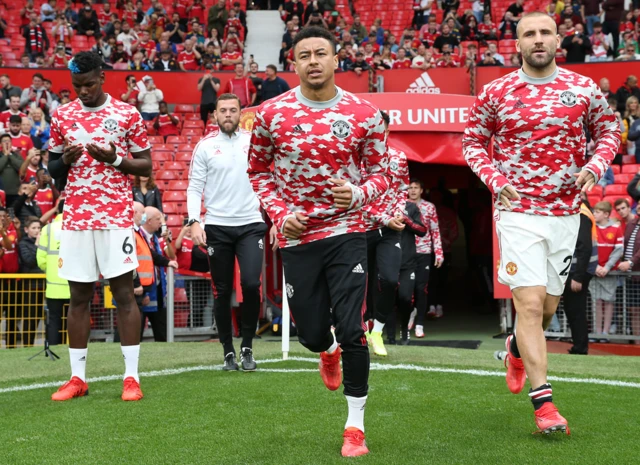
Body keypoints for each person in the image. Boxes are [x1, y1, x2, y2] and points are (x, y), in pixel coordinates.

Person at [462, 12, 619, 434]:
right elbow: (472, 141)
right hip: (517, 213)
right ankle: (545, 406)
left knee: (548, 307)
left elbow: (609, 131)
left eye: (544, 32)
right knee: (528, 305)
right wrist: (495, 180)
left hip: (566, 214)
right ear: (517, 44)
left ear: (557, 39)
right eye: (528, 33)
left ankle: (516, 348)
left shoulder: (583, 87)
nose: (537, 39)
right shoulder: (498, 91)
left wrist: (597, 162)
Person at [247, 26, 389, 457]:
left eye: (320, 53)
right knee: (311, 334)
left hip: (347, 231)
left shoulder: (365, 114)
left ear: (335, 59)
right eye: (304, 54)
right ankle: (324, 350)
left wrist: (360, 194)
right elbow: (258, 172)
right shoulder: (271, 113)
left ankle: (355, 427)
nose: (313, 61)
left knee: (352, 328)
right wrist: (280, 214)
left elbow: (383, 173)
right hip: (298, 236)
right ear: (294, 63)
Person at [47, 51, 152, 402]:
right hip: (76, 219)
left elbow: (146, 165)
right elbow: (52, 170)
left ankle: (131, 378)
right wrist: (65, 159)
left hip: (115, 218)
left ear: (103, 77)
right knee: (78, 298)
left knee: (123, 295)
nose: (83, 91)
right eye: (77, 86)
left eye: (89, 84)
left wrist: (116, 159)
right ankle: (77, 378)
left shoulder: (126, 114)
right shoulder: (62, 115)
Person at [188, 93, 267, 371]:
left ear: (240, 113)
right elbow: (195, 187)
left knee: (251, 284)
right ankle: (227, 352)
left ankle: (247, 347)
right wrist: (194, 221)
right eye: (223, 110)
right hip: (218, 227)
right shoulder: (205, 146)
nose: (228, 115)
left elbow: (269, 179)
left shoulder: (253, 143)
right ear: (215, 115)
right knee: (222, 291)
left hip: (250, 225)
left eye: (233, 110)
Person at [362, 111, 409, 356]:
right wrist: (385, 218)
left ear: (388, 131)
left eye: (383, 129)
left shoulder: (399, 157)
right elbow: (356, 199)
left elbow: (403, 190)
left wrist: (399, 212)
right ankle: (357, 330)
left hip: (389, 231)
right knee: (356, 285)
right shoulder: (357, 159)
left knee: (390, 280)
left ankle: (377, 330)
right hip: (360, 228)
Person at [407, 179, 443, 336]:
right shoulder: (402, 206)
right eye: (410, 188)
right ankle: (410, 313)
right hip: (406, 252)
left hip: (424, 252)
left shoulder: (429, 207)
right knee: (406, 288)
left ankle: (420, 323)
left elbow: (435, 230)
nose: (413, 190)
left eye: (416, 188)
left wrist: (439, 253)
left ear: (422, 190)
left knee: (422, 288)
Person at [562, 193, 597, 355]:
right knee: (573, 309)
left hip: (578, 271)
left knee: (576, 310)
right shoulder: (583, 212)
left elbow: (584, 247)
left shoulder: (581, 214)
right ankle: (578, 345)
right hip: (579, 270)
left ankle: (580, 348)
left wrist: (578, 276)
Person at [137, 204, 178, 341]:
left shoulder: (154, 237)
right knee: (134, 332)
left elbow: (170, 256)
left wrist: (167, 242)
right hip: (141, 290)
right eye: (158, 219)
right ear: (148, 221)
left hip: (157, 290)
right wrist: (143, 292)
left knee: (162, 332)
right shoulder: (137, 235)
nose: (161, 222)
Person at [37, 199, 70, 345]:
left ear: (57, 210)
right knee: (76, 320)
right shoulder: (77, 228)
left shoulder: (48, 229)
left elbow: (41, 259)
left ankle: (53, 348)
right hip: (74, 286)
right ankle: (76, 349)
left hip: (53, 287)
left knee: (54, 321)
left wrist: (50, 269)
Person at [590, 201, 623, 340]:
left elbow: (619, 250)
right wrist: (595, 265)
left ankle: (606, 333)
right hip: (595, 271)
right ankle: (597, 332)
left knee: (609, 301)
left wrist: (607, 267)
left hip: (609, 272)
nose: (594, 214)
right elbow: (589, 248)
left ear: (606, 214)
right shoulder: (592, 228)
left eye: (597, 212)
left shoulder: (616, 228)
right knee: (596, 302)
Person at [0, 134, 24, 206]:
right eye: (4, 141)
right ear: (0, 144)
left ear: (11, 143)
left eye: (8, 141)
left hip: (15, 193)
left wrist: (10, 155)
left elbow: (21, 167)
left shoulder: (17, 155)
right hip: (1, 193)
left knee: (12, 215)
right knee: (2, 215)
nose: (7, 143)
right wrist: (5, 155)